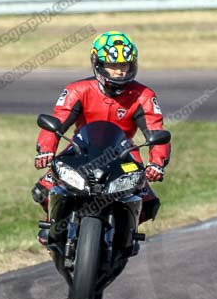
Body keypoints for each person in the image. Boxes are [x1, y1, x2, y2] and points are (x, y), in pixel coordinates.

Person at [31, 30, 170, 244]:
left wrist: (157, 163)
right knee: (43, 189)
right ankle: (53, 224)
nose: (119, 72)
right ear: (97, 64)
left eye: (124, 65)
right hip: (80, 149)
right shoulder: (77, 90)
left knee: (149, 202)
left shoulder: (144, 95)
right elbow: (56, 122)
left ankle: (125, 235)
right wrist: (46, 151)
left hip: (125, 154)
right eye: (113, 66)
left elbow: (155, 129)